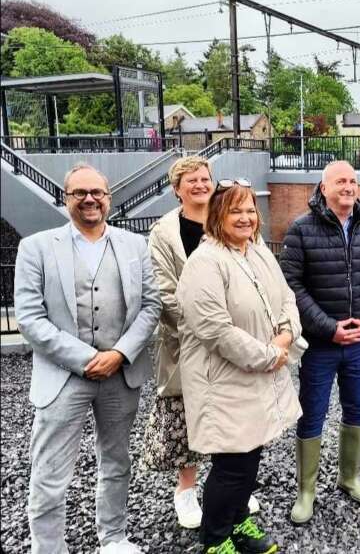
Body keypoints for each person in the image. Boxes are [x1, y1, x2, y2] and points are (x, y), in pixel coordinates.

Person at [14, 163, 161, 554]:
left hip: (120, 374)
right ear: (67, 199)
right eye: (80, 193)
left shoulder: (135, 245)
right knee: (49, 472)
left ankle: (112, 538)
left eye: (97, 192)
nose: (90, 199)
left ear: (109, 198)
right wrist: (85, 358)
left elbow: (151, 306)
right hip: (64, 377)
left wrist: (119, 353)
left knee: (116, 462)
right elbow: (30, 318)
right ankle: (48, 548)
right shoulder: (36, 248)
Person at [176, 179, 302, 554]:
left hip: (260, 374)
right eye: (236, 211)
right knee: (231, 464)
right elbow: (215, 330)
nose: (246, 218)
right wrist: (270, 355)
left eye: (250, 210)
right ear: (217, 216)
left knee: (251, 456)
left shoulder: (257, 252)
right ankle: (216, 539)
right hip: (225, 383)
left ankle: (235, 523)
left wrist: (285, 335)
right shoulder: (205, 262)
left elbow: (287, 299)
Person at [140, 157, 260, 529]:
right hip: (185, 342)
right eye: (190, 180)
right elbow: (164, 290)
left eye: (204, 178)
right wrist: (208, 329)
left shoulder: (227, 218)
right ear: (176, 188)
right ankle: (187, 489)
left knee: (231, 414)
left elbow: (250, 268)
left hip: (235, 340)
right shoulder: (164, 232)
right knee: (186, 419)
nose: (199, 184)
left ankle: (229, 488)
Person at [279, 160, 360, 523]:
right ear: (323, 188)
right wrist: (329, 327)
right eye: (340, 180)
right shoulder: (300, 230)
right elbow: (292, 287)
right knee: (312, 413)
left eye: (353, 180)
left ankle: (349, 477)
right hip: (321, 344)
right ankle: (306, 490)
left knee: (356, 409)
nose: (348, 186)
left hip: (359, 342)